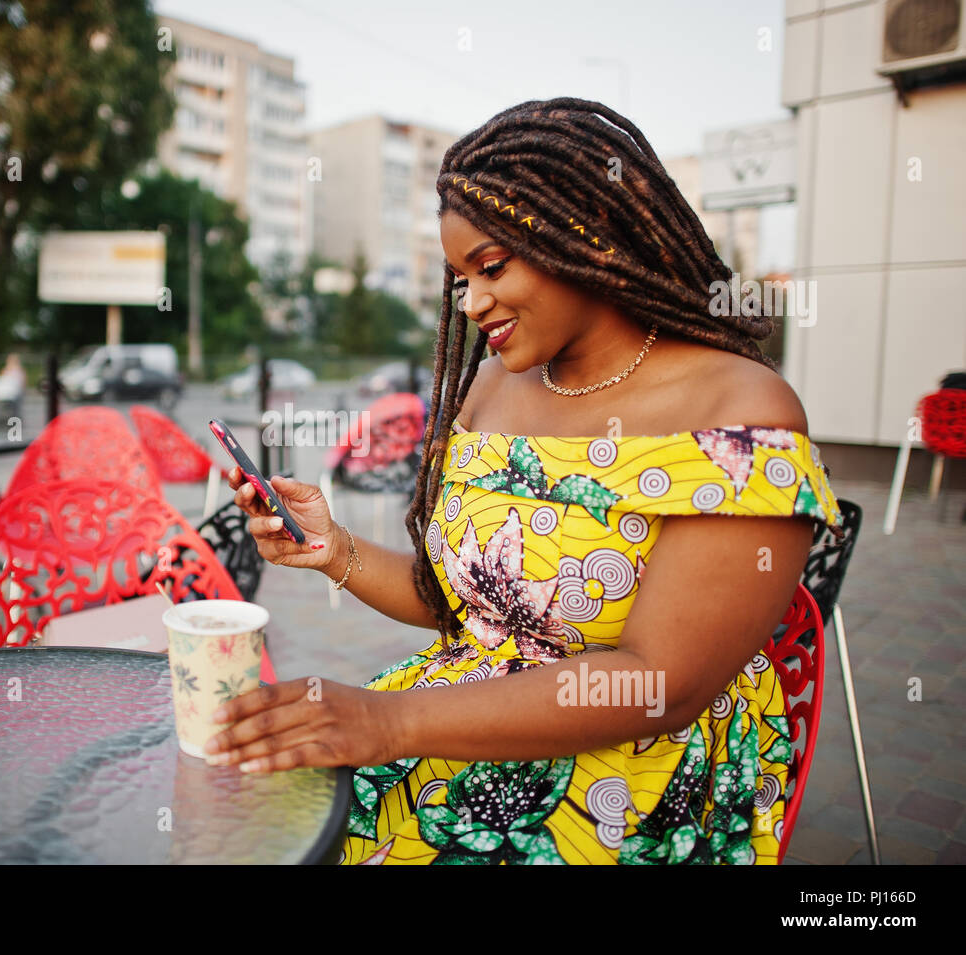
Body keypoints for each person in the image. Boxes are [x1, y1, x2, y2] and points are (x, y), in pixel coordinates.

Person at [206, 98, 844, 866]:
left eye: (492, 266)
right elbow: (462, 604)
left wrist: (387, 723)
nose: (471, 301)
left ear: (585, 230)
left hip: (628, 781)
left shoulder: (740, 412)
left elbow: (659, 684)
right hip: (451, 727)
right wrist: (331, 547)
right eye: (459, 277)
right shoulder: (490, 390)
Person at [0, 353, 25, 430]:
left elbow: (21, 383)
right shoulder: (6, 370)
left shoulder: (18, 371)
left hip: (12, 394)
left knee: (12, 412)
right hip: (6, 394)